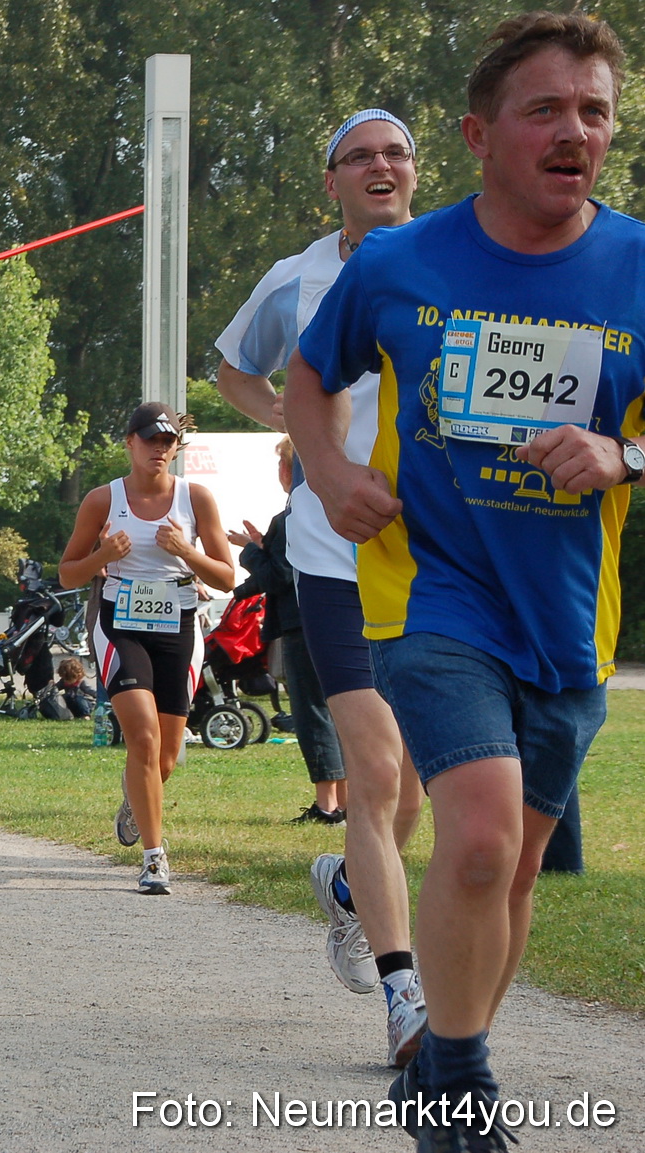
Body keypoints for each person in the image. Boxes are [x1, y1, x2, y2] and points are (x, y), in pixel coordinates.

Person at [286, 14, 639, 1148]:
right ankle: (463, 1085)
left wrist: (624, 454)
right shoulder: (398, 262)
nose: (574, 131)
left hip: (569, 617)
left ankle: (441, 1057)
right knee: (477, 838)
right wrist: (333, 469)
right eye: (547, 109)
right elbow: (307, 375)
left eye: (594, 111)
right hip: (428, 593)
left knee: (517, 868)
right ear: (481, 135)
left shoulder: (639, 263)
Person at [215, 106, 429, 1066]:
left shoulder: (451, 262)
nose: (381, 167)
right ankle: (405, 996)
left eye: (396, 153)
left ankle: (347, 887)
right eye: (361, 157)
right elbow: (231, 369)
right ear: (332, 180)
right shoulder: (297, 279)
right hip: (336, 553)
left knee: (418, 784)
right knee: (375, 773)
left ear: (415, 171)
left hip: (438, 556)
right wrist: (303, 432)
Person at [57, 403, 234, 895]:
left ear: (177, 448)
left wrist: (187, 551)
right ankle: (155, 859)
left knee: (167, 757)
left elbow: (225, 577)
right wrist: (103, 556)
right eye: (150, 440)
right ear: (130, 443)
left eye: (168, 442)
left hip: (178, 622)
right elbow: (68, 573)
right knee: (143, 736)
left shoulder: (196, 499)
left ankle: (137, 800)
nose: (159, 450)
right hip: (120, 623)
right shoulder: (102, 500)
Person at [226, 438, 347, 823]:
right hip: (344, 620)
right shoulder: (337, 510)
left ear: (289, 470)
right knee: (342, 711)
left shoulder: (292, 516)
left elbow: (277, 576)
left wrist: (249, 550)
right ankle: (346, 801)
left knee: (312, 712)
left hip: (302, 625)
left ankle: (327, 803)